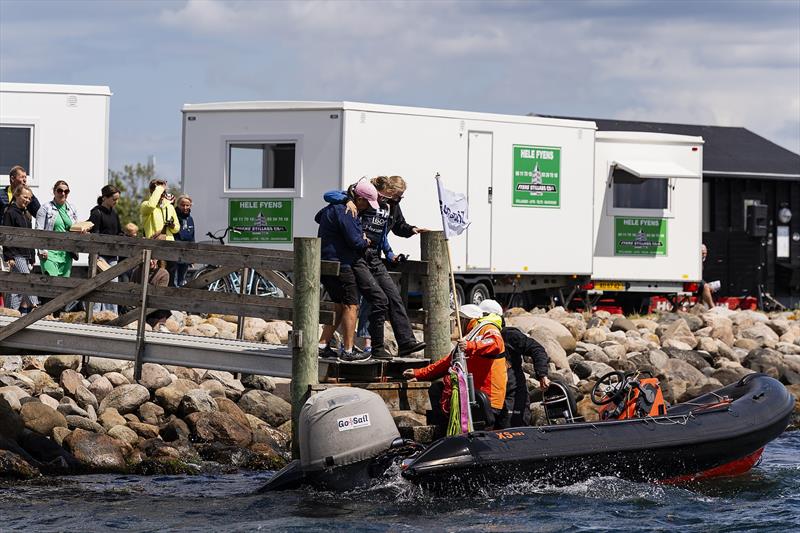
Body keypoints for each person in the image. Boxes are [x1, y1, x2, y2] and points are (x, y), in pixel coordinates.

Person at [323, 175, 427, 357]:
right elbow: (330, 195)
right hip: (359, 255)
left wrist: (407, 234)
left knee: (392, 296)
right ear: (382, 192)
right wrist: (348, 200)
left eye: (399, 198)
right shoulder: (365, 199)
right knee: (371, 300)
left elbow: (384, 233)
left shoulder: (389, 206)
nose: (396, 201)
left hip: (374, 256)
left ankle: (406, 342)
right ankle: (371, 347)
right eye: (393, 197)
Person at [316, 178, 389, 362]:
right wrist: (365, 240)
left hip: (327, 263)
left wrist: (343, 200)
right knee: (351, 305)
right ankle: (348, 351)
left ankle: (323, 345)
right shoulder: (347, 210)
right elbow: (355, 242)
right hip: (342, 264)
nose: (367, 208)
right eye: (366, 203)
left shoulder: (335, 207)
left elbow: (318, 217)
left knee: (340, 305)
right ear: (360, 199)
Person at [404, 304, 508, 429]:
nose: (456, 327)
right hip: (471, 396)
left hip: (487, 398)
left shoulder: (487, 329)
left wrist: (472, 346)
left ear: (465, 320)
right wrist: (419, 373)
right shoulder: (468, 338)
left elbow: (495, 343)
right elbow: (446, 363)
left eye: (457, 323)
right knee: (436, 389)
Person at [478, 299, 550, 428]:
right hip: (489, 396)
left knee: (514, 428)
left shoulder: (509, 335)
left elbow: (537, 349)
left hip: (513, 393)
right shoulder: (476, 339)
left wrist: (542, 374)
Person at [2, 185, 40, 312]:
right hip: (16, 254)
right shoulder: (10, 212)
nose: (27, 200)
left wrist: (32, 256)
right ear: (17, 195)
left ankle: (9, 312)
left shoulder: (27, 214)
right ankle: (35, 306)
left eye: (29, 198)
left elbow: (30, 237)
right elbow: (6, 236)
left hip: (26, 254)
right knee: (26, 278)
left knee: (16, 287)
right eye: (25, 197)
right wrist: (9, 256)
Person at [36, 180, 83, 279]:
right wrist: (41, 250)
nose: (63, 193)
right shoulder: (45, 208)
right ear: (54, 191)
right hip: (49, 253)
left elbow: (75, 228)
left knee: (63, 288)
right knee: (50, 284)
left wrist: (82, 231)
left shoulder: (72, 208)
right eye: (60, 190)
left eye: (66, 191)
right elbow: (38, 231)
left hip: (67, 254)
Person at [89, 185, 123, 313]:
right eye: (114, 199)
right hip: (101, 256)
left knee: (112, 286)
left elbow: (119, 232)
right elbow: (95, 234)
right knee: (98, 285)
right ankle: (95, 314)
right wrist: (96, 256)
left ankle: (111, 314)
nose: (116, 202)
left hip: (113, 255)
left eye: (117, 199)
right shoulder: (96, 212)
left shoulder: (114, 213)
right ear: (105, 198)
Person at [170, 194, 195, 287]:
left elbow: (192, 237)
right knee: (174, 281)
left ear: (190, 205)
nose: (185, 207)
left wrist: (193, 256)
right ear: (178, 205)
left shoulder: (190, 219)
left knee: (182, 281)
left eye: (187, 205)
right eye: (182, 205)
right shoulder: (173, 217)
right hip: (175, 254)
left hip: (186, 255)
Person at [699, 244, 717, 308]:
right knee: (706, 287)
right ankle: (711, 306)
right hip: (693, 280)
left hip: (697, 280)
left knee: (709, 286)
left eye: (705, 253)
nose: (704, 255)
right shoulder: (696, 261)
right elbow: (698, 278)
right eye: (703, 253)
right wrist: (706, 285)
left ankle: (703, 305)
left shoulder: (701, 261)